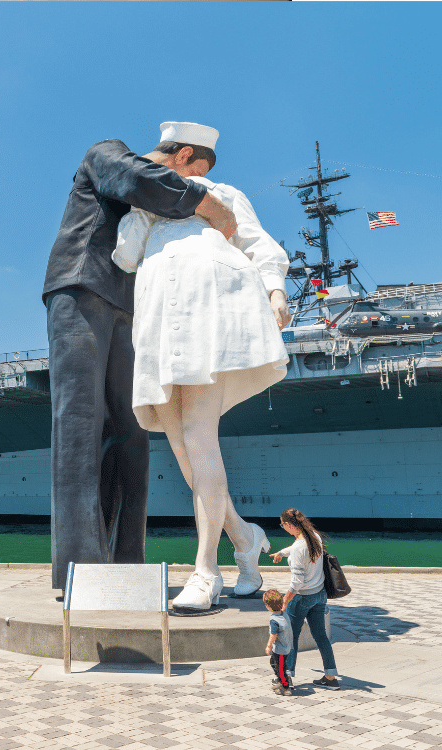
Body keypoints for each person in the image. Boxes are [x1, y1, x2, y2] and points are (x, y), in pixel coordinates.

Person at [43, 121, 238, 591]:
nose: (197, 186)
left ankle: (127, 562)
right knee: (79, 427)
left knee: (132, 432)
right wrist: (215, 208)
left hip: (131, 307)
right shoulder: (107, 152)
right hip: (81, 287)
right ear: (183, 154)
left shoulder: (157, 204)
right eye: (195, 173)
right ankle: (81, 571)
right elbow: (141, 179)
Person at [111, 123, 290, 609]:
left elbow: (259, 244)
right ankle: (246, 540)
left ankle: (205, 570)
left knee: (198, 436)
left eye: (161, 157)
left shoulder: (222, 193)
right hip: (160, 323)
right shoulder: (148, 204)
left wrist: (275, 288)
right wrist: (138, 208)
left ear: (187, 156)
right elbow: (127, 257)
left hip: (209, 315)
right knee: (185, 450)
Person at [269, 508, 340, 689]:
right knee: (321, 636)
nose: (283, 528)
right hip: (320, 595)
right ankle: (331, 677)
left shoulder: (300, 547)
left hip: (302, 598)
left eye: (282, 525)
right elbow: (296, 548)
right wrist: (281, 553)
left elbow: (297, 581)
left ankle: (287, 677)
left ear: (288, 525)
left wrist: (286, 599)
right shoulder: (314, 536)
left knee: (290, 637)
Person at [264, 588, 293, 696]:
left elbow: (274, 635)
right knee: (274, 663)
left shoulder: (274, 620)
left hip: (280, 650)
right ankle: (281, 681)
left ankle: (285, 687)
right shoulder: (284, 614)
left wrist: (268, 646)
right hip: (287, 647)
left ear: (268, 606)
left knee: (281, 669)